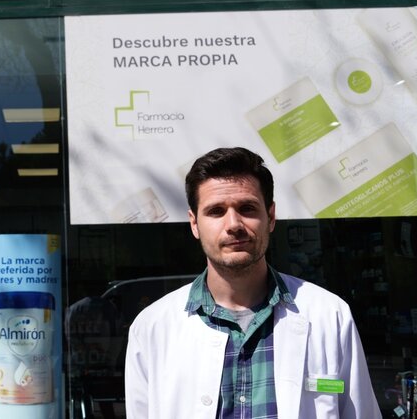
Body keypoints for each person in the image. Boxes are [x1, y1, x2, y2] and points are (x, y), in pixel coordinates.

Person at [125, 147, 381, 418]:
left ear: (270, 217)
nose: (234, 224)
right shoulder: (152, 327)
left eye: (247, 208)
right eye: (216, 211)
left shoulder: (330, 315)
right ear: (194, 224)